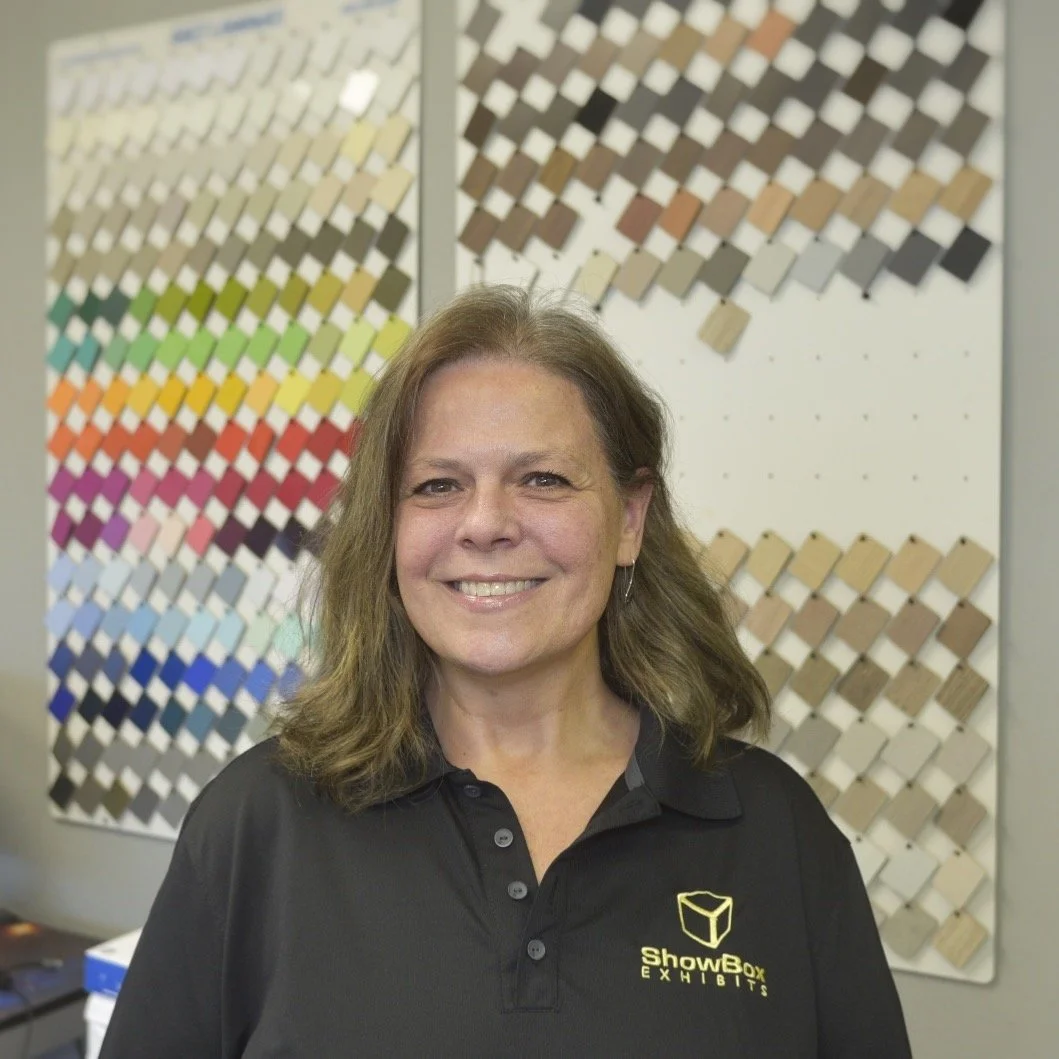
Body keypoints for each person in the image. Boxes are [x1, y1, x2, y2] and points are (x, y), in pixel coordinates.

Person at [100, 285, 912, 1057]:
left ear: (628, 519)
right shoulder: (257, 827)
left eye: (543, 479)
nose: (485, 522)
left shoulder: (775, 833)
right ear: (388, 527)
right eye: (437, 485)